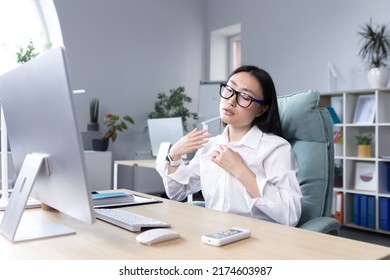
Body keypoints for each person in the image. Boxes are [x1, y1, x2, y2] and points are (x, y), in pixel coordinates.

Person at [156, 65, 302, 226]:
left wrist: (240, 170)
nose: (231, 101)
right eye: (229, 89)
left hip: (258, 241)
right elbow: (177, 193)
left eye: (245, 97)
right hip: (214, 235)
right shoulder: (210, 146)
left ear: (261, 110)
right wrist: (174, 156)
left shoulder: (276, 148)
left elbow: (290, 215)